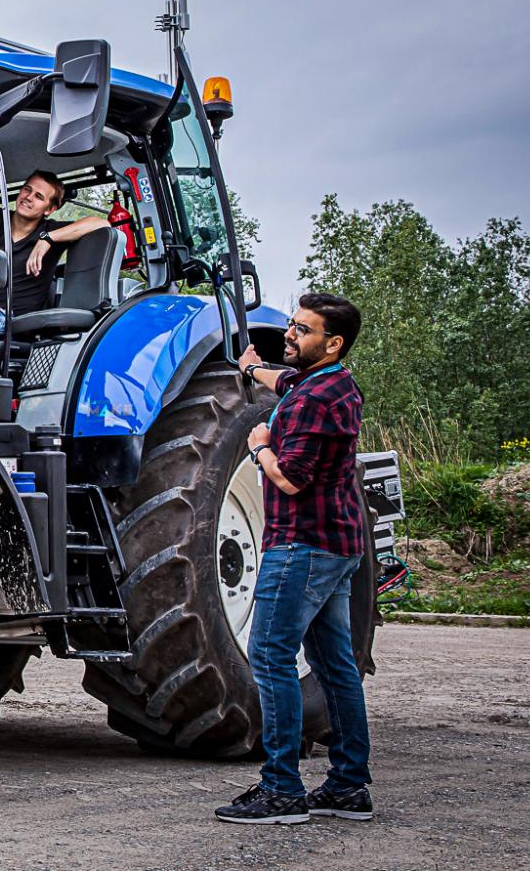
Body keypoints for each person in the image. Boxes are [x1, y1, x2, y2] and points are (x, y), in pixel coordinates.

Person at [216, 293, 374, 825]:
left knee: (269, 656)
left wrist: (259, 445)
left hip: (303, 544)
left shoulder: (312, 402)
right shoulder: (333, 384)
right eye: (291, 325)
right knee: (335, 665)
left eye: (302, 331)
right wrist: (256, 369)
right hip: (339, 544)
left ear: (332, 343)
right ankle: (349, 785)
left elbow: (290, 478)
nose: (290, 334)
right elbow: (286, 383)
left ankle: (282, 788)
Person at [6, 169, 110, 317]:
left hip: (16, 322)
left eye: (38, 196)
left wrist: (47, 238)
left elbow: (101, 223)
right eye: (27, 189)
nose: (28, 197)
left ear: (49, 209)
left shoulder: (50, 230)